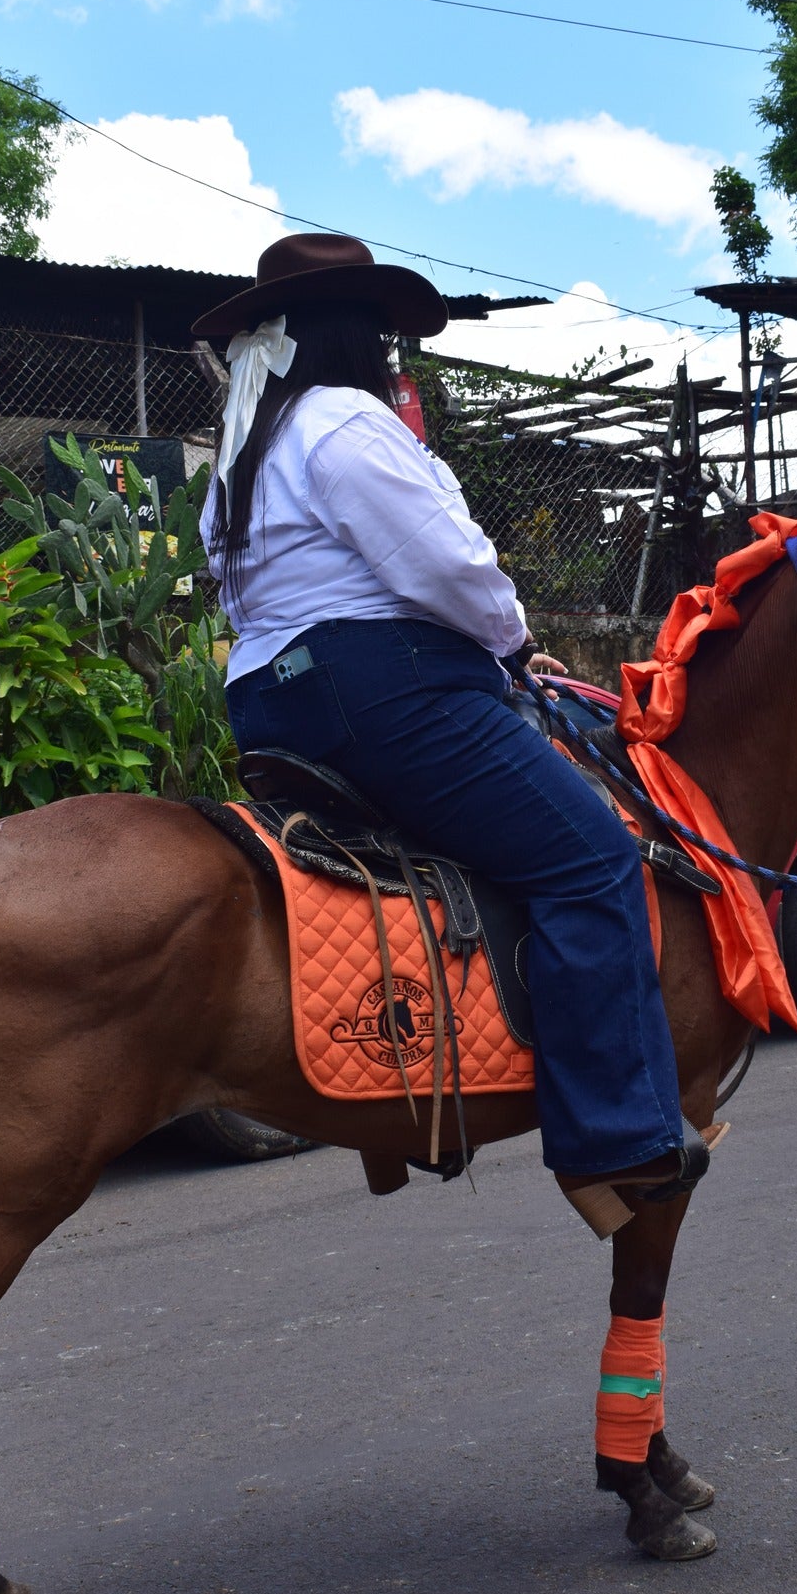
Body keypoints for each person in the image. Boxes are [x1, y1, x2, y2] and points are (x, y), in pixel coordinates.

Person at [194, 232, 706, 1211]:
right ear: (355, 336)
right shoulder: (347, 421)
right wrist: (510, 642)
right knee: (593, 857)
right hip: (382, 686)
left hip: (273, 697)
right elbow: (445, 568)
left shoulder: (248, 445)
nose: (393, 354)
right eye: (385, 336)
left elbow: (242, 599)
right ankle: (619, 1137)